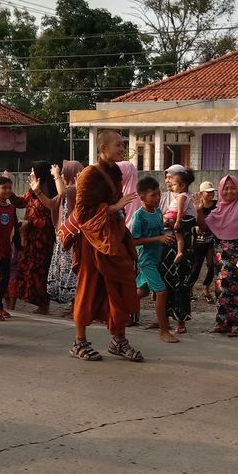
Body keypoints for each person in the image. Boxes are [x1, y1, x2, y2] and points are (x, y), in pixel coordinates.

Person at [70, 130, 142, 362]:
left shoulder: (115, 171)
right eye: (118, 145)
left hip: (113, 236)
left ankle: (118, 340)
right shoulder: (89, 174)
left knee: (119, 289)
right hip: (93, 242)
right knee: (89, 289)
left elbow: (117, 203)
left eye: (123, 145)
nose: (122, 149)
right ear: (103, 148)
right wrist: (113, 208)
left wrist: (118, 215)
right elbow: (81, 214)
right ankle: (79, 342)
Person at [196, 175, 238, 337]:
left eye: (232, 187)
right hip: (221, 260)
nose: (229, 191)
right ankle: (224, 323)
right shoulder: (217, 210)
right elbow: (204, 228)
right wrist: (199, 211)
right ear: (220, 191)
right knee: (221, 289)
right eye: (225, 188)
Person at [131, 176, 179, 344]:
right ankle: (164, 330)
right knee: (161, 292)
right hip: (146, 260)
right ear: (142, 197)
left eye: (159, 194)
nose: (158, 198)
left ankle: (113, 309)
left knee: (142, 292)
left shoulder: (158, 212)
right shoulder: (139, 216)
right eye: (154, 195)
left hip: (156, 259)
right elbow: (134, 240)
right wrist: (158, 238)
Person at [7, 161, 57, 315]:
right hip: (29, 239)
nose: (30, 174)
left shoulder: (50, 194)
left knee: (40, 272)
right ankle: (32, 303)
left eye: (33, 172)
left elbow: (50, 221)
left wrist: (31, 222)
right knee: (26, 270)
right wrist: (9, 192)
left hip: (43, 241)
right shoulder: (32, 191)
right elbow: (22, 203)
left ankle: (44, 306)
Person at [161, 168, 197, 334]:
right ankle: (164, 320)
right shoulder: (165, 198)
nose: (168, 181)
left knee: (180, 284)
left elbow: (190, 221)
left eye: (171, 178)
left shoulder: (185, 199)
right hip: (167, 250)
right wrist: (165, 220)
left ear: (182, 184)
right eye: (166, 177)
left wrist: (175, 222)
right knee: (166, 283)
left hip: (181, 252)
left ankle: (181, 321)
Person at [0, 175, 26, 321]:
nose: (7, 190)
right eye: (4, 188)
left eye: (9, 188)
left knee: (6, 279)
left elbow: (15, 230)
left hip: (8, 250)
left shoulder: (11, 208)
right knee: (0, 278)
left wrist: (19, 249)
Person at [48, 160, 84, 309]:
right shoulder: (69, 189)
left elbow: (62, 192)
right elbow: (51, 204)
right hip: (64, 238)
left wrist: (56, 176)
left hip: (72, 239)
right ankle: (72, 305)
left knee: (72, 272)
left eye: (64, 172)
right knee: (66, 272)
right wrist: (36, 191)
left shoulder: (74, 189)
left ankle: (75, 304)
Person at [189, 181, 217, 304]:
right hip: (198, 242)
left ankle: (206, 289)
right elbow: (190, 220)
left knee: (211, 265)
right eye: (208, 192)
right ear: (201, 193)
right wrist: (195, 227)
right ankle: (189, 289)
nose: (211, 194)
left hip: (211, 241)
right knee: (195, 267)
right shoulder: (195, 205)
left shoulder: (216, 205)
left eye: (212, 192)